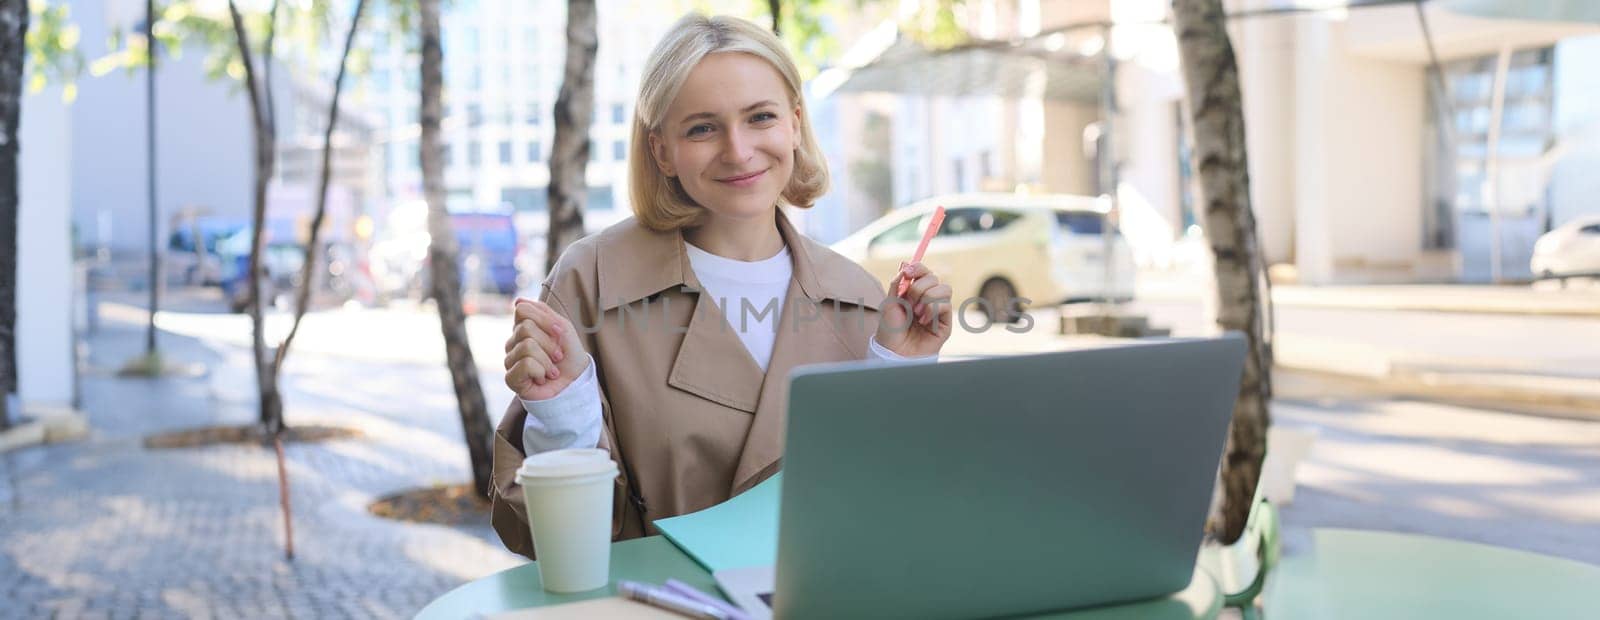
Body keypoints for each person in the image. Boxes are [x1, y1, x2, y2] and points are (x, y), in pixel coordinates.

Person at [490, 13, 954, 559]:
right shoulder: (590, 281)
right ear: (661, 149)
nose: (738, 150)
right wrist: (563, 414)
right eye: (702, 128)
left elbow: (886, 508)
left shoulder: (861, 297)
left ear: (796, 124)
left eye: (760, 117)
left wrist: (900, 370)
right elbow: (545, 540)